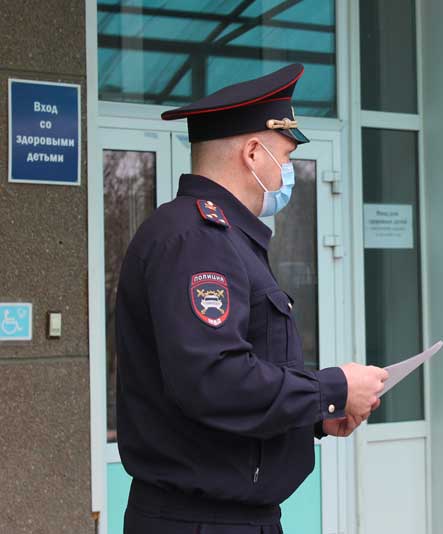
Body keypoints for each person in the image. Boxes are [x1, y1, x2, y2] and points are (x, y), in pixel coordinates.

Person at [115, 63, 388, 534]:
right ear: (253, 153)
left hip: (228, 518)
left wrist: (316, 418)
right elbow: (214, 380)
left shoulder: (222, 237)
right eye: (285, 155)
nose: (288, 171)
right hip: (201, 521)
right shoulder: (197, 238)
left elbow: (226, 396)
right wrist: (332, 388)